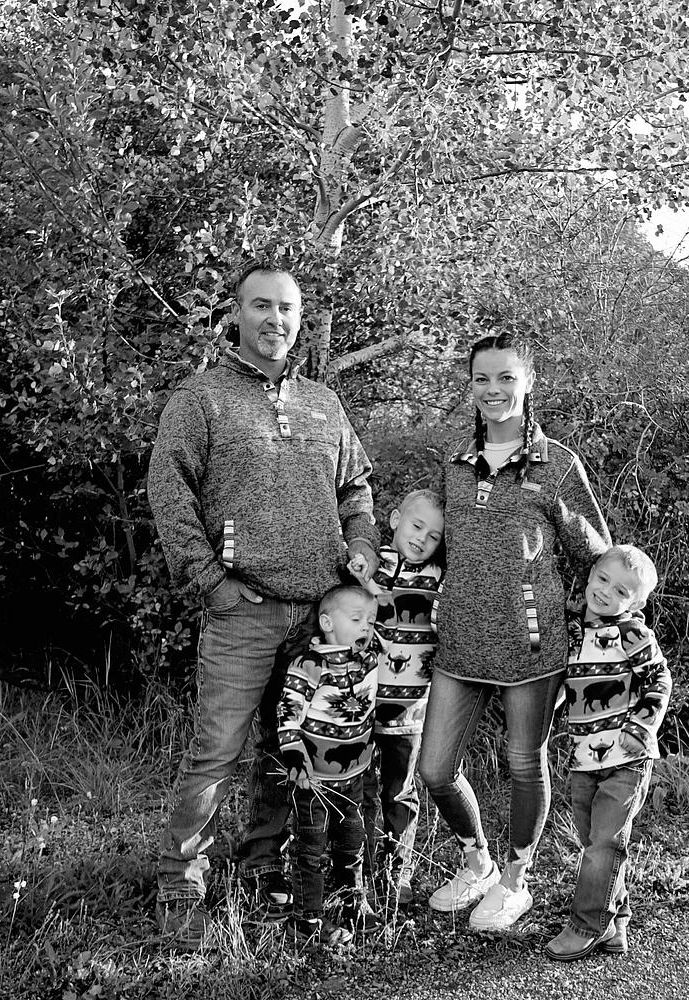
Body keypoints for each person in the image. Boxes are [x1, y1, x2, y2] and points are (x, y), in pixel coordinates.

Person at [146, 261, 379, 950]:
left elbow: (356, 489)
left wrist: (361, 544)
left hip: (319, 617)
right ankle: (179, 884)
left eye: (286, 308)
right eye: (261, 306)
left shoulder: (324, 403)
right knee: (215, 751)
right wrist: (209, 580)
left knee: (288, 746)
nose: (275, 319)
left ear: (300, 318)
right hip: (241, 610)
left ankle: (262, 865)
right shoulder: (201, 398)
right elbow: (168, 489)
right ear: (235, 315)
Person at [418, 333, 611, 932]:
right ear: (470, 385)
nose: (493, 390)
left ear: (527, 383)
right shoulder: (453, 464)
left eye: (506, 378)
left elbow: (595, 555)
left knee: (524, 762)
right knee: (435, 769)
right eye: (482, 378)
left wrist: (601, 624)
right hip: (460, 641)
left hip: (532, 646)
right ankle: (477, 860)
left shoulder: (558, 465)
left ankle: (515, 880)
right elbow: (433, 545)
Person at [546, 544, 671, 960]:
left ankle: (586, 925)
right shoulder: (572, 631)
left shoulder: (632, 634)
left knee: (604, 842)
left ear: (636, 604)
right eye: (602, 579)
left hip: (627, 757)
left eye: (621, 591)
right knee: (594, 842)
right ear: (590, 575)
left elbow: (659, 679)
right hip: (584, 757)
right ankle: (616, 921)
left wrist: (642, 726)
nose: (605, 592)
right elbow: (567, 684)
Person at [276, 585, 383, 946]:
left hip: (354, 778)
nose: (366, 627)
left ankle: (354, 904)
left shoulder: (368, 660)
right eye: (356, 619)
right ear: (327, 623)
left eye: (371, 621)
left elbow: (385, 633)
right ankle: (307, 918)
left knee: (352, 842)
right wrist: (294, 756)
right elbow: (288, 714)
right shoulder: (309, 666)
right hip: (314, 783)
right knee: (311, 849)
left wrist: (368, 586)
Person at [355, 488, 445, 907]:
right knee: (358, 786)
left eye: (433, 535)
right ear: (394, 520)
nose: (421, 538)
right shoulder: (370, 566)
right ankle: (353, 865)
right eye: (416, 525)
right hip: (358, 704)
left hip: (409, 708)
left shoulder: (439, 578)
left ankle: (395, 871)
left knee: (399, 790)